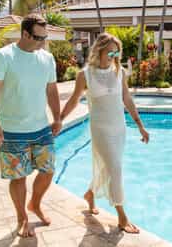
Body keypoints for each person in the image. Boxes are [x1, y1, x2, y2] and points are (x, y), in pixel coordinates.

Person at [60, 33, 149, 234]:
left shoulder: (120, 72)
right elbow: (74, 100)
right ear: (99, 49)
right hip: (100, 129)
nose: (114, 55)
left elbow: (127, 98)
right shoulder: (86, 74)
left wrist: (140, 125)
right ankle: (122, 216)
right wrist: (59, 118)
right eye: (110, 51)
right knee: (115, 169)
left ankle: (90, 194)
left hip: (119, 128)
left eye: (117, 51)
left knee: (110, 167)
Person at [0, 14, 61, 237]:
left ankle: (35, 204)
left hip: (41, 128)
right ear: (25, 33)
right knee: (18, 177)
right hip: (12, 130)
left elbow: (52, 89)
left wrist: (56, 117)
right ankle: (22, 217)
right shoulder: (3, 56)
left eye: (45, 38)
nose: (42, 42)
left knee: (47, 171)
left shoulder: (47, 58)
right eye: (38, 38)